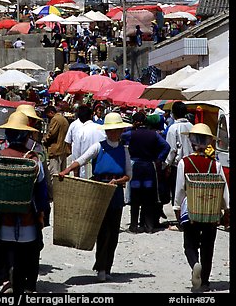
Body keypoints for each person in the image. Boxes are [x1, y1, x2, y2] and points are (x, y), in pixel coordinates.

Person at [59, 112, 132, 282]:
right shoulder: (99, 147)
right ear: (106, 132)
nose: (113, 133)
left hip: (116, 194)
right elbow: (81, 160)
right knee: (103, 231)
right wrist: (66, 171)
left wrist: (118, 180)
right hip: (99, 191)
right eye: (110, 131)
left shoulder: (124, 151)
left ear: (120, 132)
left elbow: (129, 175)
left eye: (116, 130)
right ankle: (100, 266)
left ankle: (108, 267)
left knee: (113, 233)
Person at [0, 111, 49, 294]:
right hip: (27, 221)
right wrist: (42, 214)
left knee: (5, 250)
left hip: (4, 221)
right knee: (30, 253)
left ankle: (7, 279)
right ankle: (28, 285)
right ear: (25, 135)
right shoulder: (33, 159)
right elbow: (41, 192)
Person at [173, 123, 230, 292]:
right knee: (208, 246)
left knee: (189, 244)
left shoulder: (185, 163)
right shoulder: (215, 165)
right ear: (207, 142)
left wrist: (177, 209)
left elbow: (180, 189)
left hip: (192, 210)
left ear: (191, 142)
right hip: (211, 212)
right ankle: (205, 280)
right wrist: (226, 209)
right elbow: (224, 189)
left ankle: (194, 264)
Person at [121, 111, 170, 233]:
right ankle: (149, 226)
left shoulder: (131, 134)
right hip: (149, 167)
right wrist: (159, 159)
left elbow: (120, 137)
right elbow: (166, 146)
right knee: (149, 197)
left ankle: (134, 226)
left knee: (135, 197)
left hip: (135, 168)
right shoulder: (154, 135)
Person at [165, 101, 194, 208]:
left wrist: (167, 165)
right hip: (192, 164)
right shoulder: (191, 126)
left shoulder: (173, 128)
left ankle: (180, 216)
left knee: (178, 192)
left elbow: (171, 149)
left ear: (174, 113)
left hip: (177, 166)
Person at [42, 105, 70, 198]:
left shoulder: (55, 119)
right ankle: (61, 194)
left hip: (55, 150)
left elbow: (51, 134)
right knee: (62, 174)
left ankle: (54, 195)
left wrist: (44, 140)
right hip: (63, 150)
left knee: (54, 175)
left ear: (51, 112)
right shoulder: (64, 119)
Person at [74, 105, 106, 178]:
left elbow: (76, 156)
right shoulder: (101, 129)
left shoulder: (80, 132)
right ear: (91, 116)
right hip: (100, 169)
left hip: (84, 170)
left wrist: (76, 175)